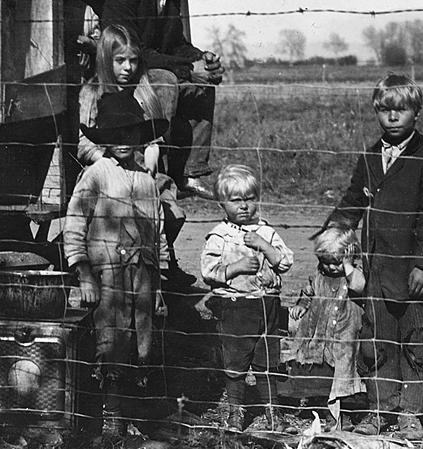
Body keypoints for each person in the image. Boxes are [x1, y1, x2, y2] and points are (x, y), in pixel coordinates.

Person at [324, 73, 423, 439]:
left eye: (402, 109)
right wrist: (332, 238)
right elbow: (352, 202)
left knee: (416, 342)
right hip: (377, 269)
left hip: (411, 271)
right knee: (375, 340)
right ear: (376, 111)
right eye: (385, 110)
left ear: (417, 112)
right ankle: (380, 408)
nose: (393, 117)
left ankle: (412, 412)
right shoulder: (370, 156)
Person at [87, 0, 224, 200]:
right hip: (120, 69)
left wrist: (202, 59)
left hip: (146, 65)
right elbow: (128, 51)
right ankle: (154, 171)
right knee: (166, 81)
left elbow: (174, 43)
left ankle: (190, 173)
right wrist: (188, 68)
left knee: (202, 85)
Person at [63, 89, 170, 438]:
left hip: (141, 277)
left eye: (130, 133)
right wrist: (84, 275)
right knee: (111, 340)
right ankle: (110, 415)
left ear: (141, 136)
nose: (123, 140)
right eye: (114, 135)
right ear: (104, 139)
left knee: (141, 340)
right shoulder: (97, 174)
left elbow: (157, 235)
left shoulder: (147, 180)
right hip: (107, 275)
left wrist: (156, 287)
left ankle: (134, 411)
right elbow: (75, 224)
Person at [77, 24, 194, 288]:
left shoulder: (142, 90)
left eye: (132, 61)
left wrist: (152, 155)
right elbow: (84, 142)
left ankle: (156, 258)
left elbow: (153, 134)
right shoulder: (92, 92)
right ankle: (109, 265)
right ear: (107, 60)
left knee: (170, 212)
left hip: (139, 168)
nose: (127, 68)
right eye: (120, 61)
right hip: (105, 169)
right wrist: (104, 161)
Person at [200, 164, 295, 433]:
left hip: (266, 306)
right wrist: (238, 267)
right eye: (236, 200)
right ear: (222, 202)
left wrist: (265, 248)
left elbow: (286, 261)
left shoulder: (266, 232)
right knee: (236, 362)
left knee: (267, 362)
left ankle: (273, 412)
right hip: (235, 307)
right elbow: (209, 272)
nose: (244, 206)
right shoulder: (219, 235)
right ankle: (236, 410)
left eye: (250, 199)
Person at [289, 224, 366, 431]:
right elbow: (307, 294)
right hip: (319, 337)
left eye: (336, 263)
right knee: (323, 376)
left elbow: (359, 286)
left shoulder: (353, 275)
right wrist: (300, 306)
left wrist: (348, 265)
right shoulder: (318, 276)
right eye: (325, 262)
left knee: (345, 376)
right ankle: (326, 411)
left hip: (345, 339)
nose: (331, 268)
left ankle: (346, 414)